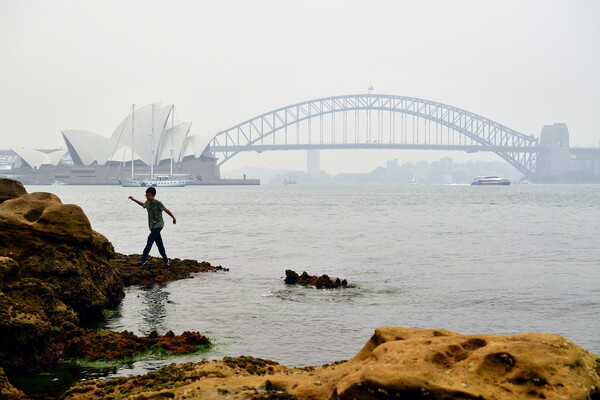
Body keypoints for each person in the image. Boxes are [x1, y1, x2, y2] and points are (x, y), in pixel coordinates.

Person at [128, 187, 176, 267]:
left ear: (154, 195)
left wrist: (173, 218)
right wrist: (134, 199)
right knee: (159, 243)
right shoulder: (147, 202)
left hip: (159, 225)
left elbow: (166, 210)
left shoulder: (158, 203)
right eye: (146, 195)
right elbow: (143, 204)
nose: (147, 197)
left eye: (149, 195)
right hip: (152, 226)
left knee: (150, 240)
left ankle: (144, 259)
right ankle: (165, 260)